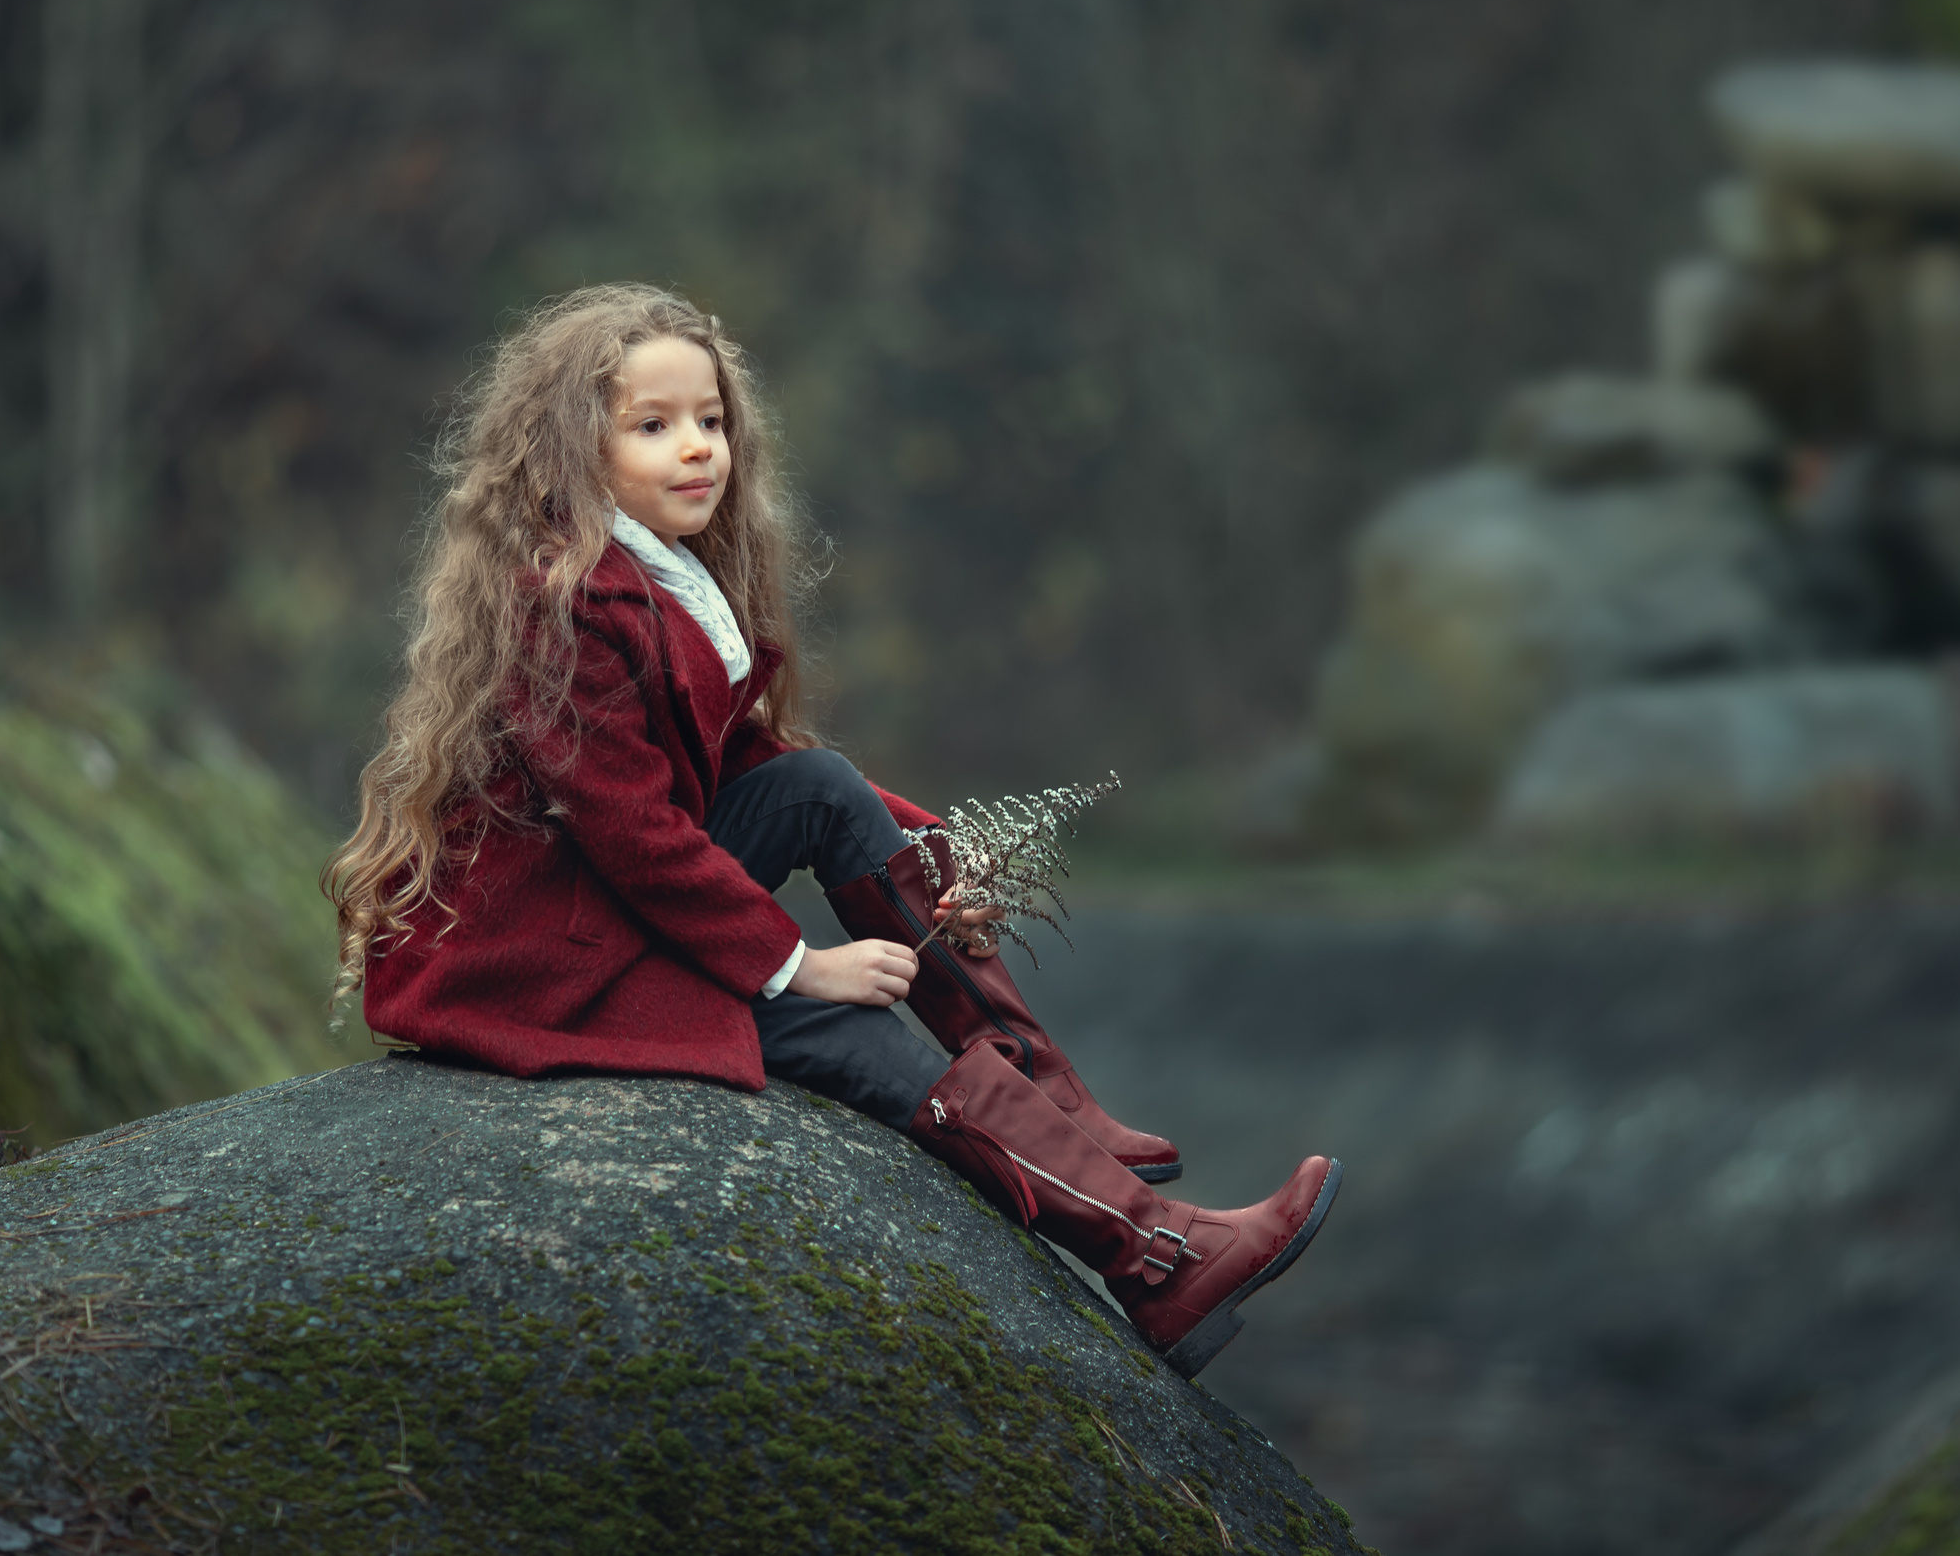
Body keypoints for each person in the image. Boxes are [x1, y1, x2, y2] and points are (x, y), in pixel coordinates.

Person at [324, 284, 1336, 1377]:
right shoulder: (560, 605)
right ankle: (1154, 1258)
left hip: (610, 900)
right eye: (652, 426)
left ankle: (1054, 1100)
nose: (696, 449)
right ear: (573, 448)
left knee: (816, 781)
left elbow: (752, 765)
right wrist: (800, 965)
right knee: (848, 1037)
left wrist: (938, 851)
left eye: (710, 420)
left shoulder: (666, 572)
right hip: (548, 955)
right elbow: (634, 837)